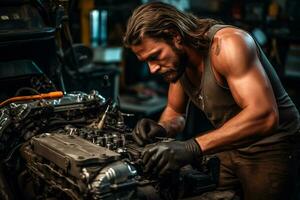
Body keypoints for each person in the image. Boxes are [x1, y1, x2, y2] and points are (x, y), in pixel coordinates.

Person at [123, 2, 300, 199]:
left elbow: (265, 115)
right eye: (147, 61)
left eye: (155, 56)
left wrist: (191, 147)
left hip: (271, 145)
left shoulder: (228, 45)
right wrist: (162, 127)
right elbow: (175, 111)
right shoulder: (180, 63)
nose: (152, 69)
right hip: (229, 144)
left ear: (174, 36)